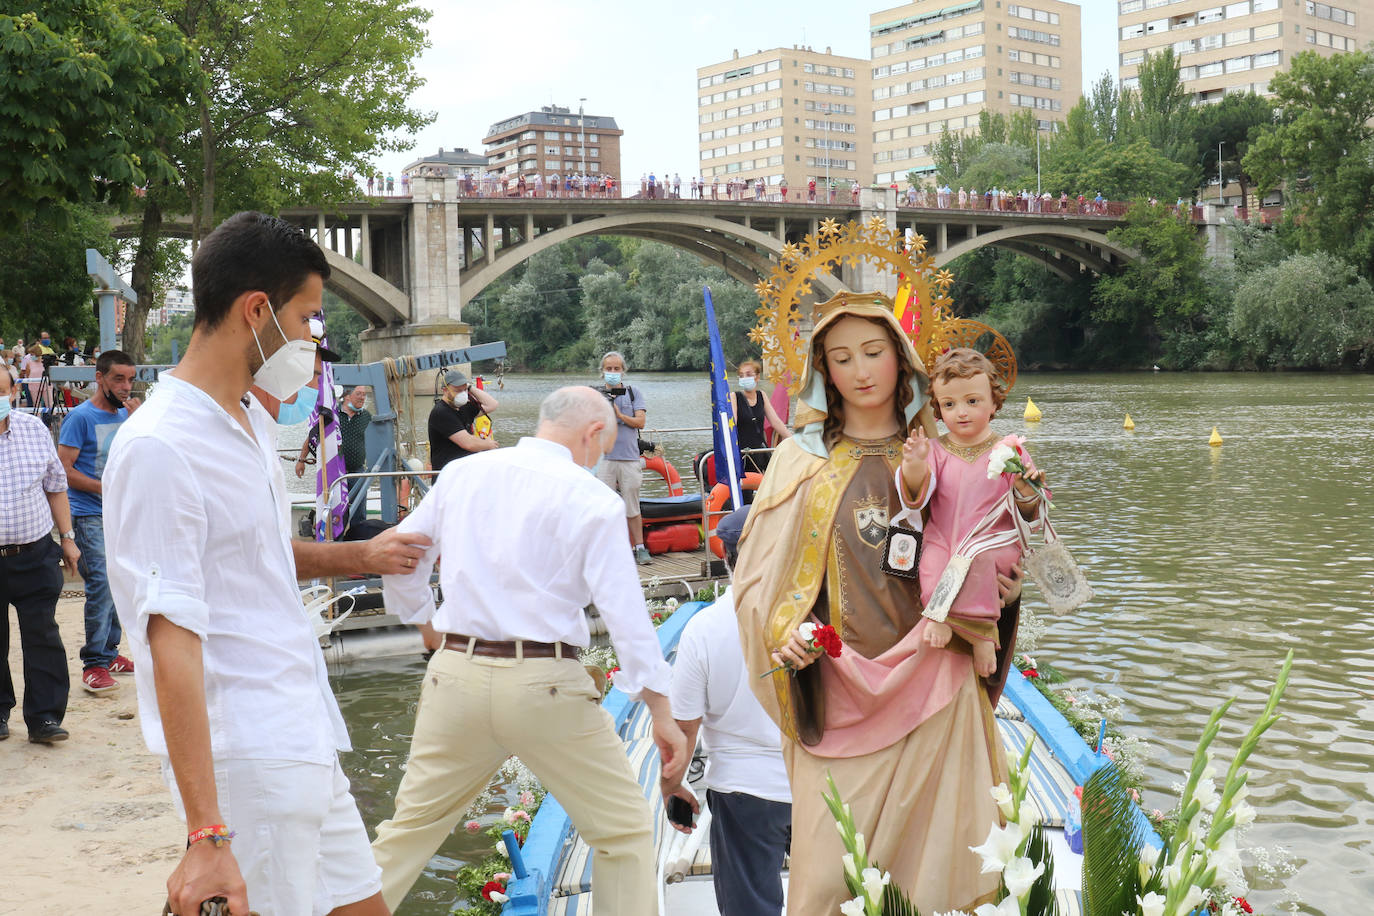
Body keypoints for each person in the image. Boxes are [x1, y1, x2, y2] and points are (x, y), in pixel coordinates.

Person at [103, 211, 430, 916]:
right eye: (309, 318)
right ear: (257, 311)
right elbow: (169, 637)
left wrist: (360, 555)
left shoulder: (248, 420)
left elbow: (250, 556)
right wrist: (207, 831)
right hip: (248, 752)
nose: (317, 338)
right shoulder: (162, 445)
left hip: (303, 725)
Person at [733, 294, 1026, 914]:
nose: (860, 371)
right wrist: (784, 628)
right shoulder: (799, 460)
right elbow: (757, 578)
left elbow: (1001, 535)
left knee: (936, 875)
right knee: (823, 883)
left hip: (936, 680)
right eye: (841, 358)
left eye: (873, 352)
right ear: (822, 371)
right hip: (838, 688)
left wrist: (1008, 592)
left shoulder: (947, 452)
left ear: (901, 359)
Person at [370, 386, 687, 914]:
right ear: (592, 434)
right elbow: (627, 618)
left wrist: (423, 624)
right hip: (544, 682)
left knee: (408, 833)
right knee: (622, 833)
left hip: (456, 673)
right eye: (603, 445)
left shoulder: (461, 475)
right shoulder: (592, 499)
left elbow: (402, 553)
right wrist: (661, 710)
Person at [661, 506, 791, 916]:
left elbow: (683, 731)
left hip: (742, 793)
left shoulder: (704, 629)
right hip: (815, 782)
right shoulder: (813, 620)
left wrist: (673, 788)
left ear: (725, 558)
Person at [905, 348, 1043, 682]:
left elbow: (1033, 510)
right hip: (945, 539)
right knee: (931, 566)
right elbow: (916, 497)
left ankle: (983, 633)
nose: (961, 413)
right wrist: (915, 464)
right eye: (949, 405)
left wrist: (1027, 491)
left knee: (983, 563)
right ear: (938, 409)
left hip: (994, 542)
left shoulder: (1010, 450)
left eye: (972, 401)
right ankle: (939, 615)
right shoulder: (937, 451)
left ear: (994, 403)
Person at [0, 368, 80, 744]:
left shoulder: (34, 431)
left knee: (42, 635)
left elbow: (56, 487)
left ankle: (45, 717)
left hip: (34, 552)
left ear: (14, 392)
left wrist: (68, 538)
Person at [57, 349, 140, 696]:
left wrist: (142, 421)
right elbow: (63, 471)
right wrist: (106, 488)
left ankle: (110, 652)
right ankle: (94, 664)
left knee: (123, 581)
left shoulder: (131, 415)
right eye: (118, 378)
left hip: (124, 512)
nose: (125, 386)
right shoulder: (81, 418)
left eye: (131, 379)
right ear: (100, 378)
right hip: (90, 511)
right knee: (102, 584)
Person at [594, 351, 650, 564]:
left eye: (617, 369)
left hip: (629, 458)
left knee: (632, 505)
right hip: (604, 459)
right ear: (603, 371)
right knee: (604, 508)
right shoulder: (596, 395)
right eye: (609, 369)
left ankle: (640, 547)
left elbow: (641, 422)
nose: (613, 372)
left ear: (623, 371)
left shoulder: (633, 393)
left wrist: (620, 416)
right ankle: (610, 550)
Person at [427, 369, 498, 471]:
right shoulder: (441, 412)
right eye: (457, 390)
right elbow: (468, 443)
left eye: (464, 390)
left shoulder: (464, 407)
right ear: (445, 390)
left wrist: (470, 388)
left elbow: (492, 404)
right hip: (448, 474)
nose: (462, 393)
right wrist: (487, 444)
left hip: (464, 471)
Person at [730, 359, 791, 474]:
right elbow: (732, 424)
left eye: (748, 374)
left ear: (757, 377)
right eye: (741, 375)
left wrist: (791, 438)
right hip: (742, 451)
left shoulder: (761, 395)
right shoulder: (734, 397)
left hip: (759, 449)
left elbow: (775, 421)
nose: (744, 378)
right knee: (746, 490)